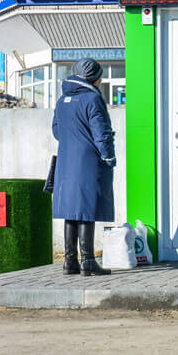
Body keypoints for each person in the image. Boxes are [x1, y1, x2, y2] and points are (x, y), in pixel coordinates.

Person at [52, 58, 116, 276]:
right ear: (94, 78)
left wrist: (74, 139)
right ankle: (88, 261)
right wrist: (108, 157)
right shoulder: (92, 99)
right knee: (86, 209)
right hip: (87, 161)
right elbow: (102, 133)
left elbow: (56, 131)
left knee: (71, 211)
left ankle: (69, 262)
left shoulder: (62, 100)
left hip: (66, 160)